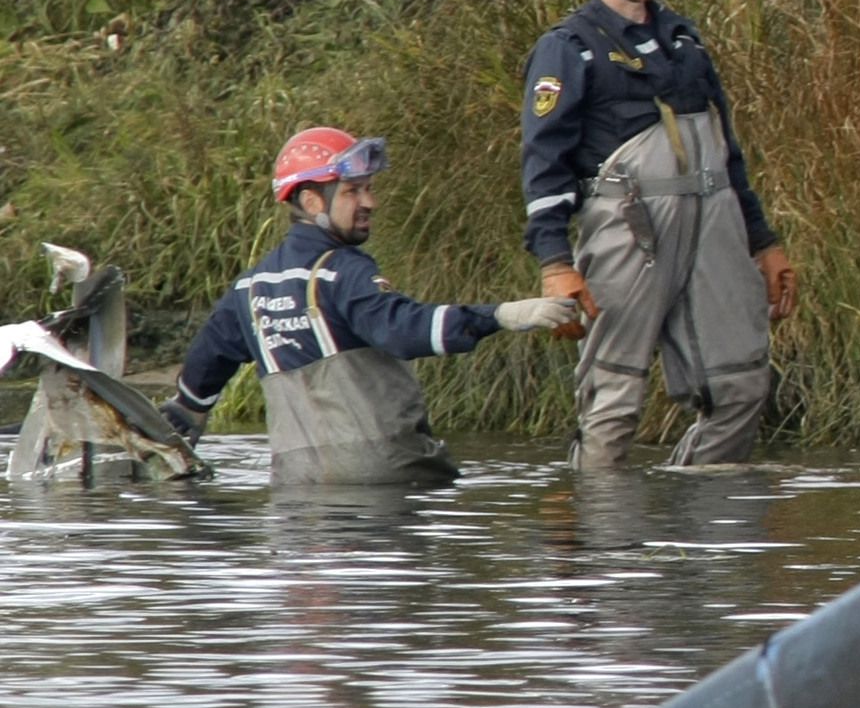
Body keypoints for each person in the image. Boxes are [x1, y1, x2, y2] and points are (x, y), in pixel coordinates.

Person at [522, 0, 799, 470]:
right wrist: (555, 264)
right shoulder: (567, 48)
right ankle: (603, 540)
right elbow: (544, 165)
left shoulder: (685, 38)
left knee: (741, 388)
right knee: (614, 403)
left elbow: (728, 152)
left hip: (716, 225)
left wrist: (764, 242)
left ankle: (697, 532)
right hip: (629, 230)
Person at [163, 130, 583, 486]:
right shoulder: (342, 272)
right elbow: (401, 329)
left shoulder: (249, 288)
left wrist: (186, 414)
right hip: (390, 479)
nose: (370, 202)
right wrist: (502, 315)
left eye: (369, 188)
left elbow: (204, 370)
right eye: (353, 191)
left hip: (298, 489)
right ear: (311, 201)